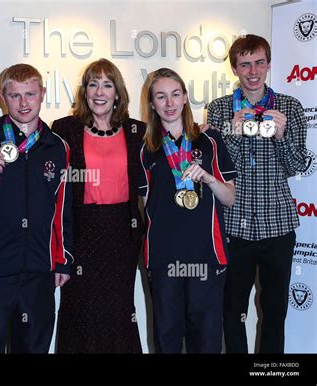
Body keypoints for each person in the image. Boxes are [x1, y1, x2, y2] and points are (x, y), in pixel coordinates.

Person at [206, 34, 308, 353]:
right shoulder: (220, 109)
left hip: (278, 226)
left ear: (268, 64)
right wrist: (234, 132)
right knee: (233, 312)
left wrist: (279, 135)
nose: (253, 70)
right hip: (234, 227)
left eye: (259, 62)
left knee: (275, 313)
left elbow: (296, 165)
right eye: (245, 64)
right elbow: (217, 166)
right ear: (235, 68)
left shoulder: (289, 106)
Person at [0, 64, 72, 353]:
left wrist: (62, 260)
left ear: (43, 94)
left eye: (30, 94)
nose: (23, 103)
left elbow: (63, 208)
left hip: (39, 269)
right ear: (2, 97)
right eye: (14, 95)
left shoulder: (58, 147)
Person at [139, 68, 236, 353]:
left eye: (175, 94)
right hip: (163, 258)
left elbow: (229, 198)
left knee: (205, 341)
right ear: (153, 104)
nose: (169, 103)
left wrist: (208, 178)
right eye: (161, 96)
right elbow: (145, 206)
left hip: (207, 255)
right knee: (167, 339)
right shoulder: (145, 148)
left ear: (185, 99)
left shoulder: (211, 141)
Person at [51, 58, 145, 353]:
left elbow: (174, 140)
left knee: (119, 311)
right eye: (93, 84)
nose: (100, 91)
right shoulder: (64, 129)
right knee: (80, 310)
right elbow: (31, 139)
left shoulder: (137, 132)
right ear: (85, 91)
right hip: (81, 233)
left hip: (123, 233)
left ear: (117, 93)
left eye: (107, 84)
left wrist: (200, 131)